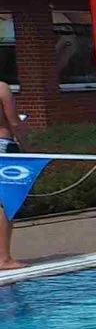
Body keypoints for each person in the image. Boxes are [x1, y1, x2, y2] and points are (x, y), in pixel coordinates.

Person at [0, 75, 23, 270]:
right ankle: (4, 258)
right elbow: (14, 122)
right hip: (2, 147)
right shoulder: (2, 88)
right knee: (5, 202)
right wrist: (27, 144)